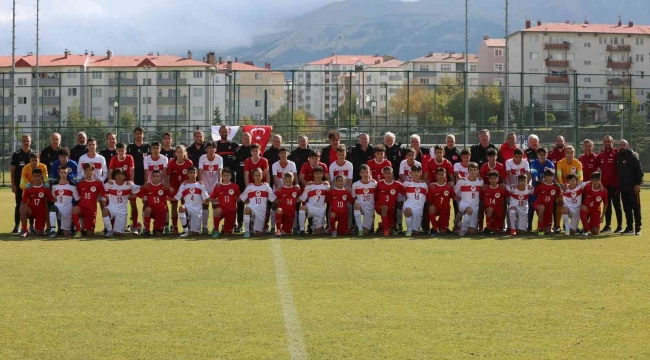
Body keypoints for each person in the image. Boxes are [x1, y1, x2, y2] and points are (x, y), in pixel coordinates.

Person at [102, 168, 140, 237]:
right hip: (111, 208)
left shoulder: (129, 185)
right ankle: (109, 230)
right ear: (115, 176)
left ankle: (132, 226)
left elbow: (141, 190)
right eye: (118, 174)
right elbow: (100, 189)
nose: (120, 176)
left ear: (125, 177)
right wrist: (106, 196)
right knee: (105, 210)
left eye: (122, 175)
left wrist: (132, 196)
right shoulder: (110, 184)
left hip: (122, 211)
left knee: (120, 234)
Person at [72, 163, 107, 237]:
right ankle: (78, 231)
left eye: (90, 170)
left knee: (90, 234)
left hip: (91, 210)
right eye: (86, 170)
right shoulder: (81, 183)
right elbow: (77, 195)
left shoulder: (98, 183)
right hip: (82, 208)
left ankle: (85, 229)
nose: (88, 172)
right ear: (84, 171)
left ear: (93, 171)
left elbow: (104, 195)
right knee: (75, 209)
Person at [240, 168, 276, 238]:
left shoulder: (266, 187)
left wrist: (280, 202)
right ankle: (247, 231)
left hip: (261, 211)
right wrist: (248, 204)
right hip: (252, 208)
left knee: (258, 234)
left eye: (259, 175)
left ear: (262, 176)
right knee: (247, 209)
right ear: (253, 176)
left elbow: (273, 199)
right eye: (256, 175)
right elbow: (242, 198)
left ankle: (255, 228)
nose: (257, 177)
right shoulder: (249, 187)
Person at [127, 127, 151, 230]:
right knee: (132, 201)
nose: (139, 135)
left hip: (144, 176)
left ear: (143, 135)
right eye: (137, 133)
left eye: (141, 133)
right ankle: (133, 224)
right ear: (134, 134)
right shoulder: (130, 147)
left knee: (145, 202)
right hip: (133, 176)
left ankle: (145, 225)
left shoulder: (147, 146)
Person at [18, 168, 54, 238]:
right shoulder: (28, 188)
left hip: (41, 211)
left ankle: (41, 229)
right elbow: (24, 201)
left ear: (41, 176)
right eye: (35, 176)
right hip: (31, 210)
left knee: (39, 233)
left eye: (38, 176)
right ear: (32, 176)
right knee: (23, 209)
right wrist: (21, 209)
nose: (37, 178)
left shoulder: (45, 187)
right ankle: (25, 230)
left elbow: (51, 199)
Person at [617, 140, 643, 235]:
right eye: (620, 145)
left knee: (636, 208)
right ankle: (629, 227)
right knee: (627, 209)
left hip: (633, 188)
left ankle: (638, 228)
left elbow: (639, 171)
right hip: (623, 189)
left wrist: (638, 184)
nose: (622, 146)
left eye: (624, 145)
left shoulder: (633, 156)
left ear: (628, 146)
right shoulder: (618, 156)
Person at [597, 135, 623, 233]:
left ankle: (620, 226)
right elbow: (599, 166)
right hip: (605, 186)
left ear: (612, 142)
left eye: (609, 141)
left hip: (615, 185)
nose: (607, 143)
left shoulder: (617, 152)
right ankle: (608, 226)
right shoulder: (601, 154)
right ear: (603, 143)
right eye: (605, 141)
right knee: (607, 205)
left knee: (617, 205)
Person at [11, 134, 36, 232]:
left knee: (33, 204)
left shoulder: (34, 153)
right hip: (20, 186)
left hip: (32, 185)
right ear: (21, 141)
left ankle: (32, 226)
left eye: (28, 141)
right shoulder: (16, 154)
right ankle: (17, 225)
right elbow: (13, 171)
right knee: (19, 204)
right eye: (24, 141)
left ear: (31, 141)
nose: (26, 142)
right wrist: (13, 184)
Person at [176, 167, 209, 238]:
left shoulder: (201, 185)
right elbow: (177, 197)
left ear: (197, 174)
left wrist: (204, 201)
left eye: (194, 173)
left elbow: (206, 198)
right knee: (181, 208)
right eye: (190, 173)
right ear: (187, 174)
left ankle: (190, 226)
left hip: (197, 210)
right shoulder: (184, 185)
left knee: (195, 234)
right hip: (188, 207)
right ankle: (186, 231)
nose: (192, 174)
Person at [138, 170, 174, 236]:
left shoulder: (164, 187)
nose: (156, 178)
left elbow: (171, 196)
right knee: (147, 209)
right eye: (154, 176)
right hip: (152, 209)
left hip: (161, 211)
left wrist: (170, 189)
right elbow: (140, 195)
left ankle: (158, 228)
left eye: (158, 176)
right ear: (151, 177)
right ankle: (147, 230)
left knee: (158, 233)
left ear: (160, 178)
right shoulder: (147, 186)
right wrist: (142, 188)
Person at [198, 141, 224, 235]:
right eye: (209, 148)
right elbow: (200, 171)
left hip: (215, 186)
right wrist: (201, 183)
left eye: (213, 148)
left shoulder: (219, 158)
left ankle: (215, 227)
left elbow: (219, 171)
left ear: (215, 149)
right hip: (205, 186)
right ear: (206, 149)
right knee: (204, 206)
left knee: (215, 206)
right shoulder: (202, 158)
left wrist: (219, 183)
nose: (211, 149)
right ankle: (205, 227)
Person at [555, 145, 582, 232]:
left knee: (576, 205)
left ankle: (573, 226)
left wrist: (578, 183)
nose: (570, 154)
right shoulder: (560, 162)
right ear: (565, 153)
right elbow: (559, 175)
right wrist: (562, 185)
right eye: (568, 152)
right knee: (560, 204)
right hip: (563, 187)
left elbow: (580, 175)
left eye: (571, 152)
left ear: (574, 154)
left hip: (574, 187)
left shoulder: (578, 163)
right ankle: (558, 226)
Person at [167, 145, 193, 234]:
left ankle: (187, 226)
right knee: (174, 207)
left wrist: (188, 181)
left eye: (182, 152)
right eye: (178, 152)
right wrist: (169, 186)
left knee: (185, 207)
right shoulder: (171, 163)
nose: (180, 153)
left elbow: (192, 175)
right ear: (175, 153)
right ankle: (175, 227)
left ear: (185, 153)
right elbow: (168, 176)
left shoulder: (189, 163)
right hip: (174, 188)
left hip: (185, 188)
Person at [49, 165, 80, 238]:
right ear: (58, 173)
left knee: (66, 234)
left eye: (65, 173)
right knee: (53, 208)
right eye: (61, 172)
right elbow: (53, 197)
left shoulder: (72, 185)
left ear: (67, 173)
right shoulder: (54, 185)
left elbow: (77, 199)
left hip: (67, 210)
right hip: (58, 208)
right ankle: (53, 230)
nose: (63, 174)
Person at [207, 168, 240, 237]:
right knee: (216, 211)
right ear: (221, 176)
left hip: (231, 210)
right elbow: (212, 197)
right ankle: (216, 230)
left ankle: (224, 228)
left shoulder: (235, 187)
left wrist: (234, 202)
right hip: (222, 209)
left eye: (228, 175)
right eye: (224, 175)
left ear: (231, 176)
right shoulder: (218, 186)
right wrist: (206, 199)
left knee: (227, 234)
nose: (226, 177)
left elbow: (239, 198)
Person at [298, 166, 329, 236]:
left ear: (323, 174)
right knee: (302, 208)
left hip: (320, 210)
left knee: (317, 234)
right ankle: (302, 230)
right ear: (314, 174)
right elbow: (302, 198)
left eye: (320, 173)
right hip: (310, 207)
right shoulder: (309, 186)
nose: (318, 175)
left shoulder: (326, 186)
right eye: (317, 173)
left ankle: (312, 227)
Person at [453, 162, 483, 236]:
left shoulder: (480, 182)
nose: (473, 171)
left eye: (474, 170)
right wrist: (456, 197)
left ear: (477, 171)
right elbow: (454, 191)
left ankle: (458, 223)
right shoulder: (462, 181)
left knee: (471, 232)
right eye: (471, 170)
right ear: (468, 171)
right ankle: (462, 231)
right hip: (464, 204)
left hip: (475, 207)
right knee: (469, 210)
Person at [528, 148, 554, 231]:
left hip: (546, 190)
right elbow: (534, 173)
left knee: (545, 209)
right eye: (540, 154)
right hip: (536, 188)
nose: (542, 156)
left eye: (544, 154)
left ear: (547, 155)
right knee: (531, 206)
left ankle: (545, 226)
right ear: (537, 155)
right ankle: (529, 226)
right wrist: (536, 181)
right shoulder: (533, 163)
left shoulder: (550, 164)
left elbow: (553, 176)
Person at [376, 167, 404, 236]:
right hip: (380, 207)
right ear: (383, 174)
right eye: (386, 173)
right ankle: (385, 230)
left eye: (390, 173)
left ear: (393, 174)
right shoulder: (379, 184)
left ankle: (381, 225)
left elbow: (405, 193)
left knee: (390, 231)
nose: (388, 175)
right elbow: (375, 195)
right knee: (384, 207)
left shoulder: (398, 184)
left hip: (391, 209)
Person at [533, 169, 561, 235]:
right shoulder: (540, 185)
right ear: (545, 176)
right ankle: (540, 228)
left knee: (548, 231)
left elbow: (560, 195)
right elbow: (533, 193)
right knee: (542, 207)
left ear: (553, 177)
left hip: (549, 207)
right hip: (539, 205)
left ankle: (545, 227)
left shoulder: (556, 187)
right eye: (548, 176)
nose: (549, 178)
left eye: (551, 176)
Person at [234, 132, 253, 232]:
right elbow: (234, 166)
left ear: (251, 139)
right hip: (240, 181)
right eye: (244, 138)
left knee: (252, 203)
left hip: (253, 182)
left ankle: (252, 224)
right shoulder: (238, 150)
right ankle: (240, 224)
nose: (246, 140)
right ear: (242, 139)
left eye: (248, 138)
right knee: (241, 202)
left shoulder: (254, 149)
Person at [427, 168, 455, 236]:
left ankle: (437, 224)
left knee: (443, 232)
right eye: (439, 174)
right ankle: (434, 230)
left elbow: (454, 197)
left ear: (445, 175)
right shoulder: (432, 186)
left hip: (445, 210)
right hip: (436, 208)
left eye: (442, 174)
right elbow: (429, 201)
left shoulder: (449, 186)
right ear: (436, 175)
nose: (441, 176)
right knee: (431, 208)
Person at [351, 164, 377, 237]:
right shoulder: (355, 185)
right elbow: (353, 198)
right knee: (356, 205)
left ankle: (362, 228)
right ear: (360, 174)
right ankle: (360, 229)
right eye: (363, 172)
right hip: (360, 206)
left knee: (366, 232)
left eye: (366, 172)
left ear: (370, 173)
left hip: (370, 208)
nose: (365, 174)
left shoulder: (374, 184)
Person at [402, 164, 428, 237]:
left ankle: (415, 228)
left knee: (416, 233)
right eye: (414, 172)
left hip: (418, 209)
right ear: (411, 173)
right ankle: (409, 230)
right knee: (408, 211)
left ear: (420, 173)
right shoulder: (406, 183)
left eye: (418, 172)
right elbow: (400, 189)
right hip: (408, 205)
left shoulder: (424, 185)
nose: (416, 173)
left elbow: (426, 196)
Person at [581, 172, 609, 236]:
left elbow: (606, 204)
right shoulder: (587, 186)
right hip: (587, 208)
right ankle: (585, 230)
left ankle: (587, 226)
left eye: (597, 180)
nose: (595, 182)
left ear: (600, 180)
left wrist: (602, 216)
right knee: (582, 208)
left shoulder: (604, 191)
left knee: (595, 232)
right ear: (591, 180)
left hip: (596, 210)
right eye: (593, 180)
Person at [274, 173, 301, 237]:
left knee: (286, 234)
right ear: (284, 180)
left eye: (290, 181)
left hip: (291, 213)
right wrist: (278, 202)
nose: (289, 182)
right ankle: (278, 230)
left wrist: (295, 201)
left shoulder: (296, 189)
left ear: (293, 179)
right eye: (287, 181)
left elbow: (301, 197)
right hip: (283, 211)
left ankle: (283, 230)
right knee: (279, 210)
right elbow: (274, 197)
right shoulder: (280, 189)